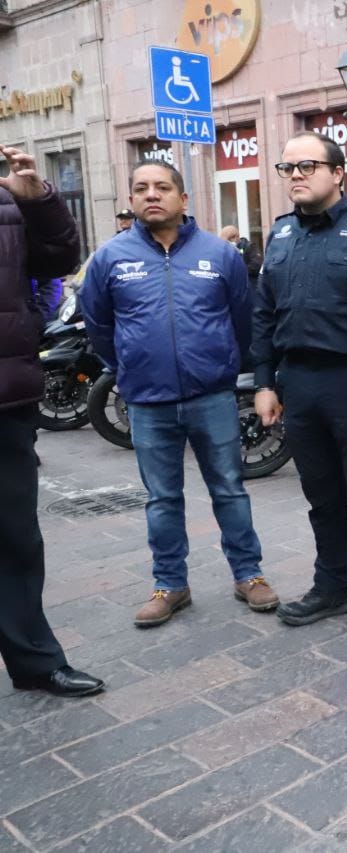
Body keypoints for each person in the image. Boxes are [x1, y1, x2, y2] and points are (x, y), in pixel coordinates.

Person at [81, 161, 278, 627]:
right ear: (131, 199)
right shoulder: (110, 258)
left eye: (162, 187)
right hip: (148, 402)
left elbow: (242, 320)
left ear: (183, 199)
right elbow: (98, 325)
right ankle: (170, 584)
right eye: (141, 188)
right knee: (162, 499)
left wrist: (223, 366)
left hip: (212, 397)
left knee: (229, 489)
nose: (152, 195)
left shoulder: (221, 254)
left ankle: (248, 574)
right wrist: (129, 367)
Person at [252, 132, 347, 644]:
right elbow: (264, 313)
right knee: (321, 495)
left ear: (338, 173)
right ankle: (333, 585)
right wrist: (264, 382)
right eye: (287, 167)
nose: (295, 175)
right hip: (298, 382)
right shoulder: (280, 235)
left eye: (308, 166)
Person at [0, 145, 103, 697]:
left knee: (17, 540)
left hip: (5, 401)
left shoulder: (8, 204)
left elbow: (60, 258)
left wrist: (37, 201)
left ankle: (36, 663)